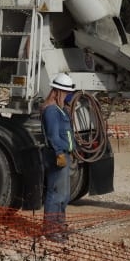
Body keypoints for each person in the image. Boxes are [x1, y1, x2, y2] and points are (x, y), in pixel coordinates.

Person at [41, 72, 76, 239]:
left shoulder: (60, 110)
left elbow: (66, 134)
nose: (69, 96)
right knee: (56, 193)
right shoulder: (51, 111)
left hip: (64, 155)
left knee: (64, 194)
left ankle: (59, 226)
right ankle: (50, 230)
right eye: (67, 93)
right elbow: (53, 136)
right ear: (59, 92)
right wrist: (60, 153)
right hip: (57, 156)